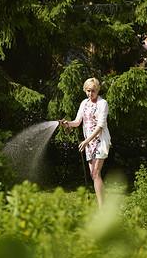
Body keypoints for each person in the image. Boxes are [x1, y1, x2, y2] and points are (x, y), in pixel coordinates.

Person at [61, 77, 111, 208]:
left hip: (99, 141)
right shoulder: (84, 103)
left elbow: (100, 126)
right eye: (88, 91)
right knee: (93, 175)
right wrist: (68, 124)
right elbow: (77, 122)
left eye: (93, 91)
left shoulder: (102, 103)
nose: (90, 94)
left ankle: (102, 208)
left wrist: (87, 140)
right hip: (88, 143)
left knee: (95, 173)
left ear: (97, 90)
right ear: (85, 90)